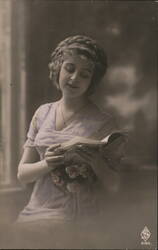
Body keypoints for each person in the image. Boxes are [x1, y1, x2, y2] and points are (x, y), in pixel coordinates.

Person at [15, 35, 124, 244]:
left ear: (92, 81)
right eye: (70, 68)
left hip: (78, 218)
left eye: (85, 74)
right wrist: (47, 163)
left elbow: (114, 186)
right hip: (35, 213)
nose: (74, 78)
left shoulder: (104, 122)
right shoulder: (42, 113)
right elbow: (22, 174)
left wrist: (95, 161)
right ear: (58, 68)